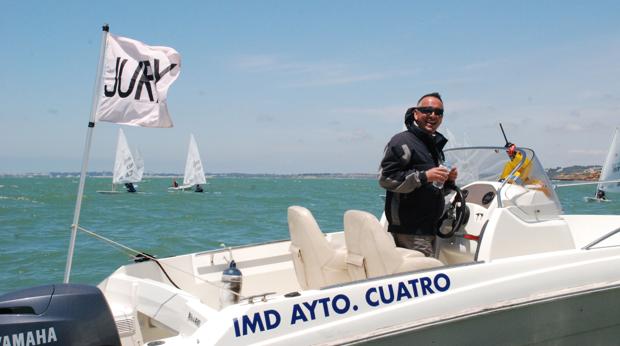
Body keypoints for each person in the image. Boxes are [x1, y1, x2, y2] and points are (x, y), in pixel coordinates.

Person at [379, 92, 457, 257]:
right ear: (416, 113)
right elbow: (386, 178)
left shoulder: (433, 147)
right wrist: (424, 176)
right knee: (420, 276)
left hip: (428, 228)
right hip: (411, 231)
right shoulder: (402, 141)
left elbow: (431, 188)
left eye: (438, 112)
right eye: (427, 110)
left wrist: (447, 181)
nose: (433, 115)